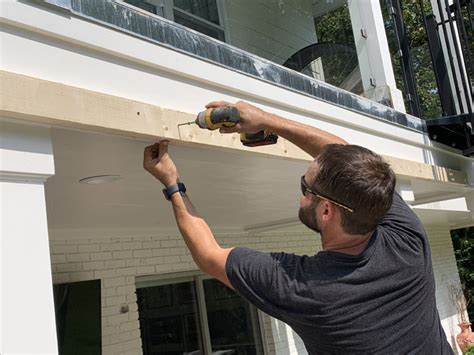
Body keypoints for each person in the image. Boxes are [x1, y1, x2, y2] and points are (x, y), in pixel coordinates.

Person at [143, 101, 454, 354]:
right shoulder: (407, 238)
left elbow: (209, 257)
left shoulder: (307, 289)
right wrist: (267, 120)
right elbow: (351, 161)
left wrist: (172, 183)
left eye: (305, 186)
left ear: (327, 209)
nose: (301, 191)